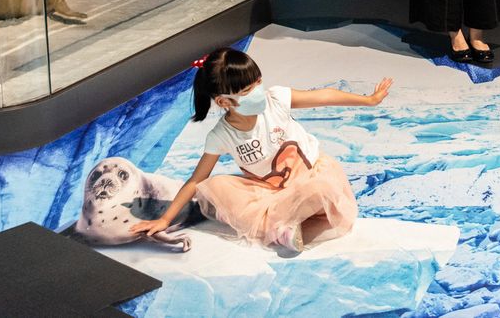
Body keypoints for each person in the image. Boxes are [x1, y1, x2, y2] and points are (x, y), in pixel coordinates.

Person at [130, 47, 392, 252]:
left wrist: (369, 100)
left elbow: (323, 96)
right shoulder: (221, 135)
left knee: (322, 188)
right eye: (247, 90)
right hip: (269, 191)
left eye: (258, 83)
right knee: (218, 188)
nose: (258, 91)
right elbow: (196, 180)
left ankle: (281, 224)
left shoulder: (275, 99)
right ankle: (283, 228)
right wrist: (165, 220)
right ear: (224, 101)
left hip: (311, 177)